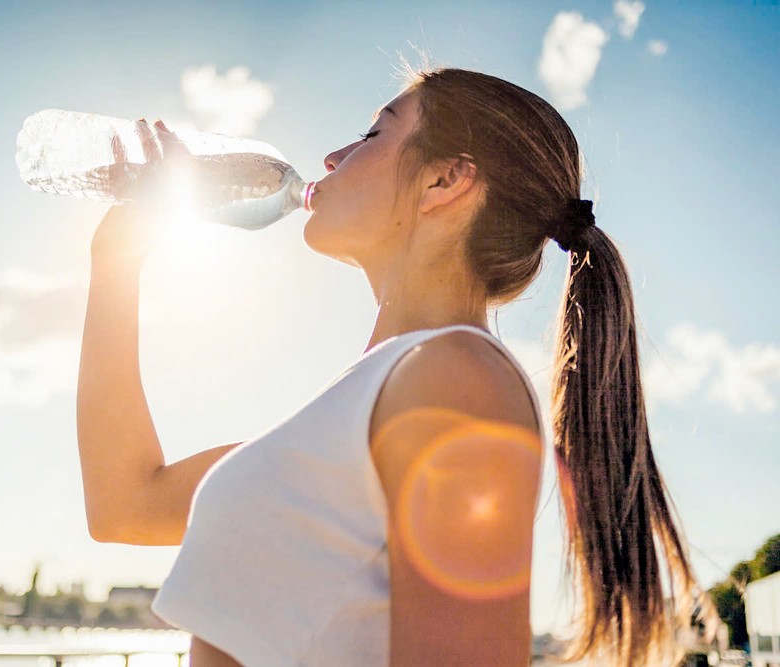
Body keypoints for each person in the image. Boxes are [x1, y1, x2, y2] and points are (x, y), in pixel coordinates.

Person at [77, 64, 698, 666]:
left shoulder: (456, 379)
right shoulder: (377, 393)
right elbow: (127, 504)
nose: (331, 158)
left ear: (444, 181)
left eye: (374, 134)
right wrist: (116, 261)